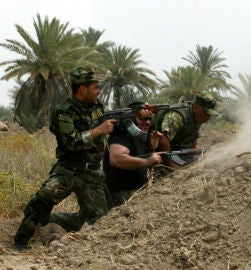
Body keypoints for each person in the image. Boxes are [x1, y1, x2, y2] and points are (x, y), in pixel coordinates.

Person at [13, 67, 117, 250]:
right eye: (95, 87)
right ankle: (20, 242)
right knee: (43, 199)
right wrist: (98, 130)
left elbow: (108, 120)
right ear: (82, 89)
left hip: (91, 173)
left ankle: (53, 221)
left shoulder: (97, 109)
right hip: (68, 171)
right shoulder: (64, 112)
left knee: (99, 219)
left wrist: (135, 116)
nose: (99, 91)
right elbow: (71, 141)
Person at [103, 101, 163, 209]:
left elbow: (137, 155)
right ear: (132, 119)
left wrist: (151, 149)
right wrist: (147, 161)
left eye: (150, 118)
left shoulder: (140, 135)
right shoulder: (122, 133)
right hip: (122, 196)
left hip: (136, 192)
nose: (148, 122)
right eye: (143, 118)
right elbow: (116, 159)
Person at [148, 91, 219, 169]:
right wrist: (171, 166)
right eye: (206, 113)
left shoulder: (198, 117)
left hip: (175, 152)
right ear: (195, 107)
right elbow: (163, 139)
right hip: (153, 152)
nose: (208, 118)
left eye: (210, 115)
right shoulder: (178, 115)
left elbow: (192, 139)